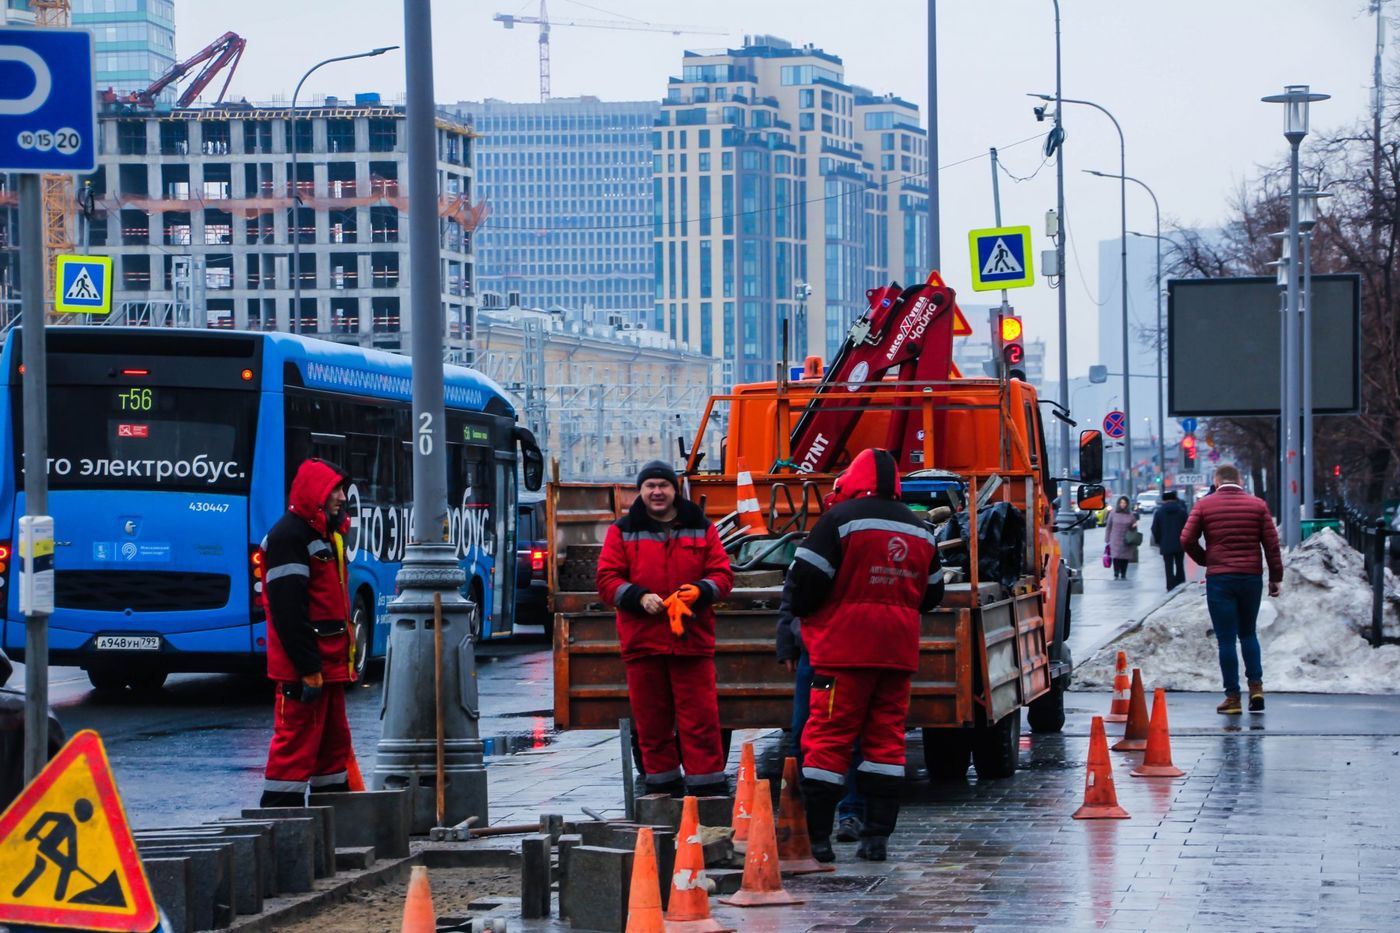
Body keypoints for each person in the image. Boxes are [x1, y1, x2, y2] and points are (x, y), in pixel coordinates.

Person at [787, 448, 943, 863]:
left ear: (851, 480)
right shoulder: (922, 529)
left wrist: (805, 619)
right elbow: (933, 595)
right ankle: (876, 840)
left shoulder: (838, 520)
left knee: (827, 740)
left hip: (842, 653)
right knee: (886, 744)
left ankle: (819, 842)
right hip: (896, 655)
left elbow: (804, 582)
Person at [596, 460, 734, 797]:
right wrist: (639, 598)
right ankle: (661, 789)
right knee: (652, 724)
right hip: (644, 643)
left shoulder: (702, 527)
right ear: (640, 492)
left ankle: (707, 791)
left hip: (691, 641)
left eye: (664, 486)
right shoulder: (622, 530)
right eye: (650, 486)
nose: (657, 492)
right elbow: (606, 580)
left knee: (701, 721)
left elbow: (723, 576)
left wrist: (699, 591)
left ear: (675, 490)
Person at [260, 458, 357, 807]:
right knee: (294, 751)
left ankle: (334, 827)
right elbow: (288, 611)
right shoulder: (290, 537)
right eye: (334, 489)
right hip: (307, 671)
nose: (342, 497)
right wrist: (308, 668)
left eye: (342, 489)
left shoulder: (323, 535)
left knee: (332, 750)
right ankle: (275, 827)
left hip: (326, 668)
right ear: (315, 493)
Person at [776, 474, 866, 848]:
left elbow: (794, 597)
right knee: (809, 735)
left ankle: (843, 816)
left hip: (829, 662)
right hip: (820, 661)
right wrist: (788, 644)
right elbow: (791, 599)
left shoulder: (838, 544)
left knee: (829, 735)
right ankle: (816, 819)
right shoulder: (826, 544)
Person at [1181, 463, 1283, 715]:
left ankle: (1233, 698)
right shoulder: (1258, 505)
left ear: (1216, 482)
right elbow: (1271, 545)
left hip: (1220, 579)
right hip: (1250, 577)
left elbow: (1186, 538)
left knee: (1226, 638)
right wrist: (1275, 578)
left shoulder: (1204, 505)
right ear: (1240, 481)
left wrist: (1205, 558)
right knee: (1248, 633)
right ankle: (1256, 688)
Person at [1151, 490, 1190, 590]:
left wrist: (1160, 541)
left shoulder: (1159, 513)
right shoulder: (1182, 511)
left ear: (1164, 500)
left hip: (1165, 543)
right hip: (1180, 543)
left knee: (1168, 567)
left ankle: (1170, 586)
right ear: (1174, 499)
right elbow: (1188, 527)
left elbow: (1155, 529)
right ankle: (1180, 584)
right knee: (1180, 565)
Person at [1104, 496, 1140, 579]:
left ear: (1127, 504)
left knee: (1125, 557)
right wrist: (1107, 538)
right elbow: (1108, 526)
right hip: (1115, 539)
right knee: (1116, 557)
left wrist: (1134, 526)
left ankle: (1123, 573)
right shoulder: (1113, 513)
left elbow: (1134, 528)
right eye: (1121, 503)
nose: (1122, 504)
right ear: (1118, 503)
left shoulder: (1130, 515)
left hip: (1126, 539)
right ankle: (1116, 573)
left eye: (1124, 503)